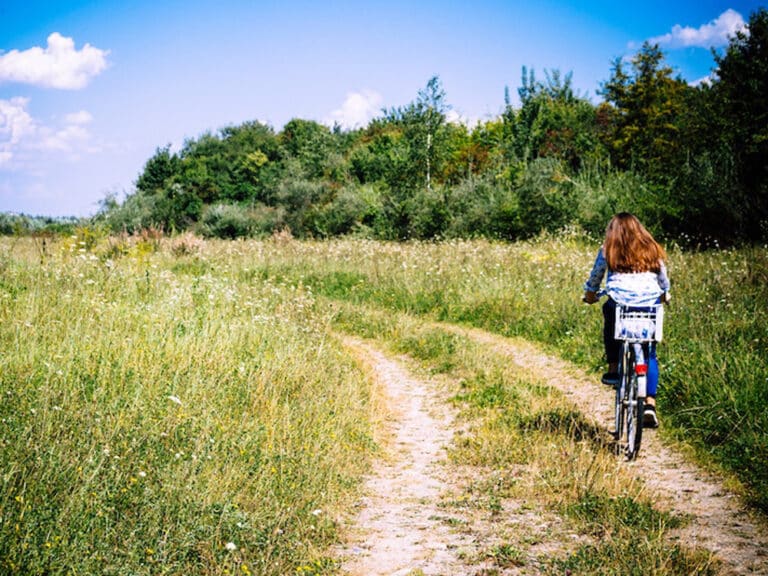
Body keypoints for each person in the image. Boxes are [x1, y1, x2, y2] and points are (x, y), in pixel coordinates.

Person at [583, 213, 670, 428]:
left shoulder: (608, 250)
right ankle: (650, 403)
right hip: (649, 307)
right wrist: (664, 294)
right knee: (649, 351)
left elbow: (596, 277)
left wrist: (590, 294)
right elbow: (663, 280)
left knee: (609, 312)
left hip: (621, 305)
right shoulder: (652, 249)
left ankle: (613, 369)